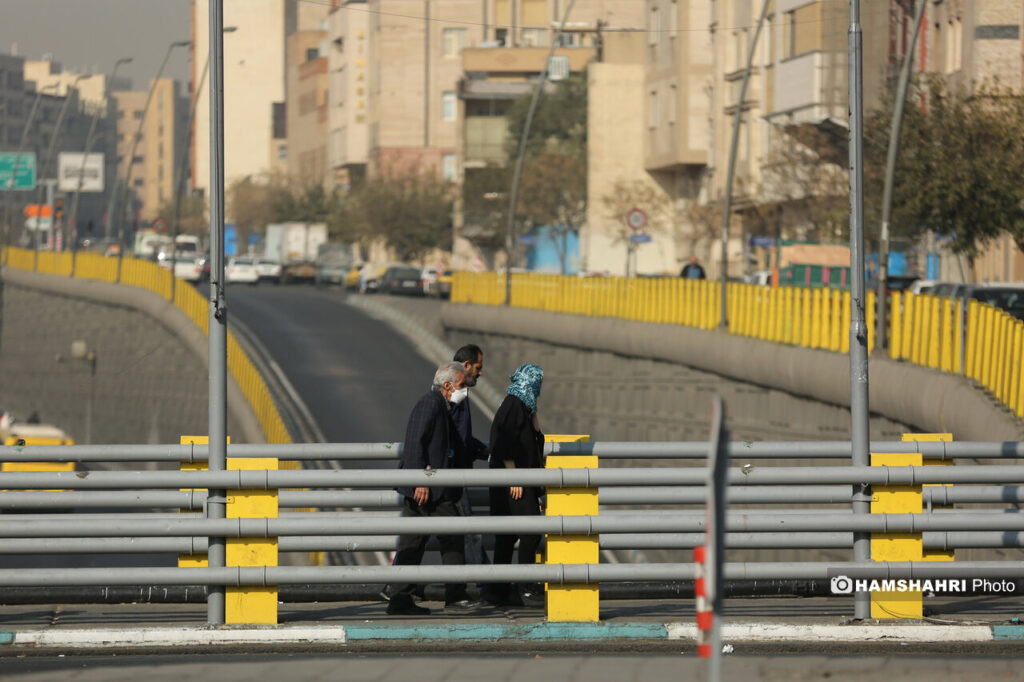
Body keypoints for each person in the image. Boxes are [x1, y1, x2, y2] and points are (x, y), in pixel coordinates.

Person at [386, 362, 481, 616]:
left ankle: (400, 598)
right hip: (429, 490)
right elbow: (415, 441)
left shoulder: (443, 406)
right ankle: (454, 596)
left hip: (431, 488)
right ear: (448, 385)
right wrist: (421, 479)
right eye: (461, 385)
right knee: (449, 539)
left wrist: (484, 451)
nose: (464, 390)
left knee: (414, 542)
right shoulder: (430, 403)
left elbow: (452, 442)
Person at [484, 363, 546, 607]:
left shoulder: (522, 405)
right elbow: (504, 441)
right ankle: (526, 586)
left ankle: (498, 590)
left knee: (507, 536)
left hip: (512, 481)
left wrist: (534, 414)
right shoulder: (514, 404)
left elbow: (535, 439)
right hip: (514, 482)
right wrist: (514, 477)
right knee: (530, 532)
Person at [450, 344, 489, 566]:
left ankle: (399, 584)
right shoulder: (453, 393)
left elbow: (461, 437)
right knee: (468, 533)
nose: (480, 372)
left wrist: (485, 452)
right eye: (478, 367)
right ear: (466, 366)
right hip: (451, 475)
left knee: (421, 534)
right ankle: (484, 585)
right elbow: (453, 435)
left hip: (449, 473)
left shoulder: (458, 391)